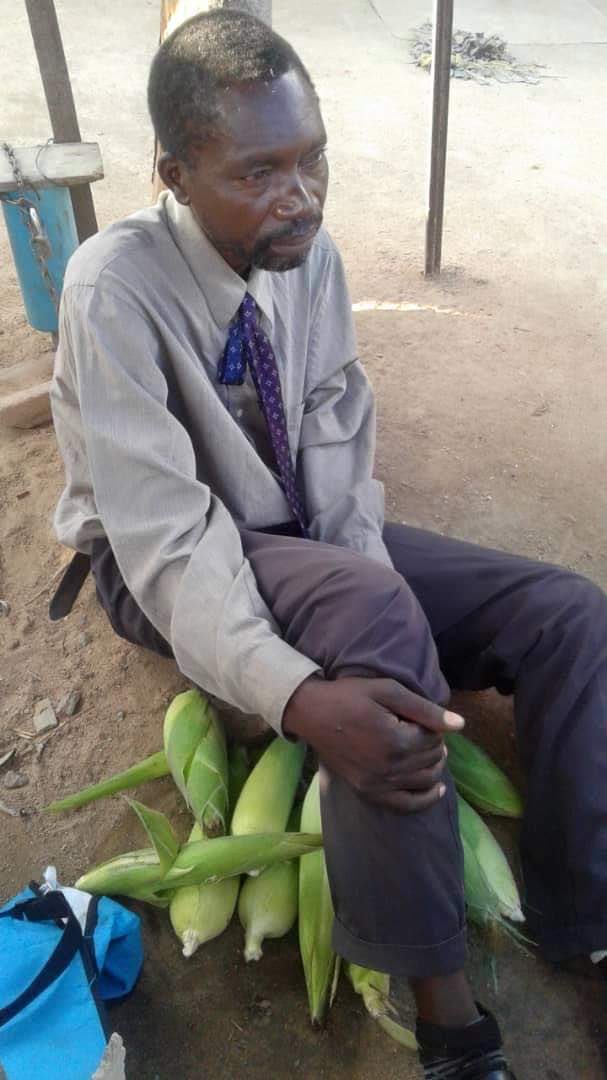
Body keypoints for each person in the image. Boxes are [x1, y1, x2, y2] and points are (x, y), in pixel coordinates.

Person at [49, 11, 607, 1079]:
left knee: (566, 611)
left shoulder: (308, 253)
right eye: (259, 171)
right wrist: (300, 695)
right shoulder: (112, 288)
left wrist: (362, 584)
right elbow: (167, 539)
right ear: (174, 172)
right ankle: (444, 1013)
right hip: (151, 560)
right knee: (372, 616)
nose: (298, 194)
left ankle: (581, 915)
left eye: (313, 162)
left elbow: (340, 427)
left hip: (292, 530)